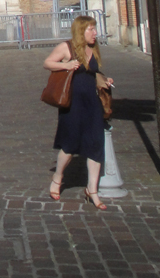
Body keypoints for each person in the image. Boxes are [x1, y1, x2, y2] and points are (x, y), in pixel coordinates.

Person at [44, 15, 114, 210]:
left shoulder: (93, 48)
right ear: (80, 31)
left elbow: (94, 73)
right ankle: (58, 178)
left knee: (95, 144)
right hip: (72, 103)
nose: (95, 33)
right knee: (70, 144)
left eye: (95, 29)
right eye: (90, 29)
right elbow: (48, 63)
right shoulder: (67, 47)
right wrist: (65, 65)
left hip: (92, 103)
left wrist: (105, 80)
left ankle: (92, 190)